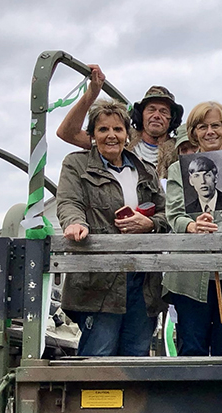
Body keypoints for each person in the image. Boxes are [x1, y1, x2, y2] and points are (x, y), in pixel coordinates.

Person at [57, 100, 169, 356]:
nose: (111, 136)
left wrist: (150, 223)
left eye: (117, 129)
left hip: (142, 281)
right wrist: (75, 223)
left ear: (127, 133)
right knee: (98, 355)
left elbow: (166, 214)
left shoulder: (146, 171)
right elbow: (69, 201)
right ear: (93, 135)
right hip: (99, 281)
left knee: (136, 356)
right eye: (103, 129)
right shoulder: (77, 164)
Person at [165, 101, 222, 356]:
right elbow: (173, 215)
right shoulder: (179, 169)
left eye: (216, 125)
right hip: (191, 274)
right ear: (194, 132)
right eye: (203, 126)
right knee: (192, 347)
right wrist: (191, 225)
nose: (210, 131)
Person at [56, 66, 183, 181]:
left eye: (163, 111)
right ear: (141, 114)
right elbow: (67, 133)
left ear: (171, 118)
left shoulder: (180, 148)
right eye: (151, 109)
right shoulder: (120, 136)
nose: (156, 115)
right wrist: (92, 93)